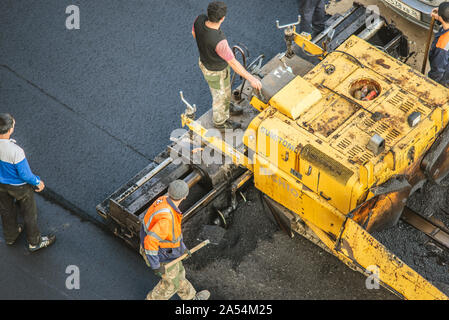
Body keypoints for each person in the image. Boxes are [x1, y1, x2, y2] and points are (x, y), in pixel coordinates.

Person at [192, 1, 262, 130]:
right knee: (219, 95)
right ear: (222, 18)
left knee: (225, 89)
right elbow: (233, 63)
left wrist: (206, 48)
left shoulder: (199, 19)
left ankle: (227, 105)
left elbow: (194, 34)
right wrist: (252, 79)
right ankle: (220, 122)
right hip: (216, 71)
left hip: (205, 62)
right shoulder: (220, 41)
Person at [139, 180, 210, 300]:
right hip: (161, 255)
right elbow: (150, 241)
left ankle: (191, 298)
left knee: (179, 274)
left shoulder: (163, 200)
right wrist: (156, 265)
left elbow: (173, 234)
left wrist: (182, 249)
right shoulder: (167, 219)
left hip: (167, 251)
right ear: (185, 197)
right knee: (171, 285)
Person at [0, 113, 56, 252]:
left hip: (1, 185)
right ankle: (34, 242)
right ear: (10, 130)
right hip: (20, 187)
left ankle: (11, 236)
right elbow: (25, 174)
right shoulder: (16, 151)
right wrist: (37, 182)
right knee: (29, 214)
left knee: (6, 210)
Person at [428, 2, 449, 87]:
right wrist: (439, 16)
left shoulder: (443, 45)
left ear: (441, 18)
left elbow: (438, 70)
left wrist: (431, 82)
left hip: (444, 76)